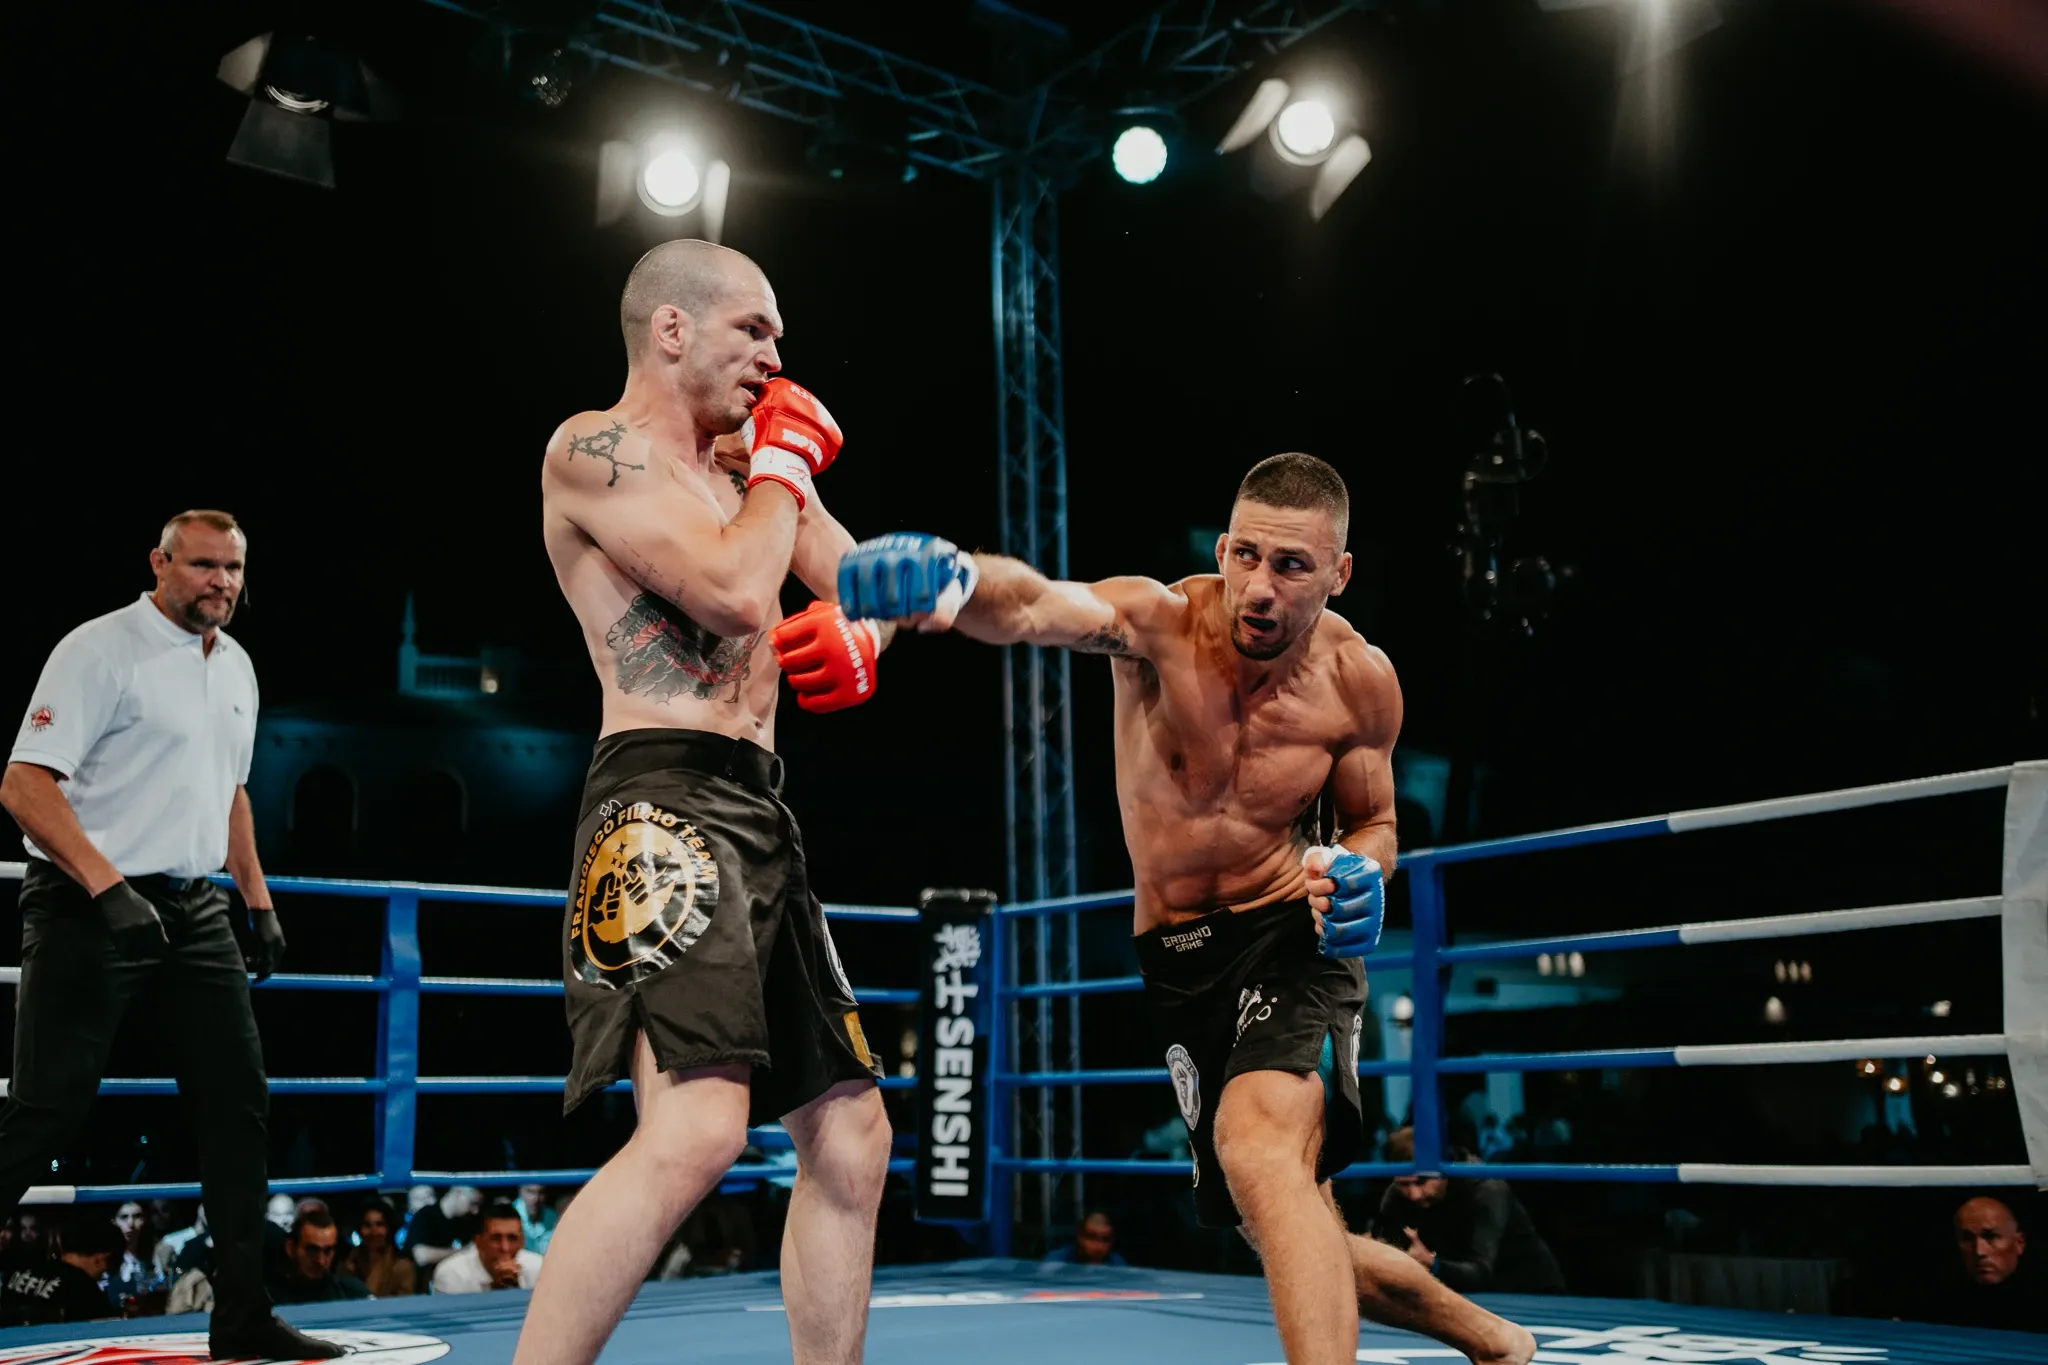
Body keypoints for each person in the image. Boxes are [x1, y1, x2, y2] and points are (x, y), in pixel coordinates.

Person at [838, 454, 1535, 1365]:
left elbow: (1375, 821)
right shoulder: (1158, 625)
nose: (1260, 586)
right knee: (1282, 1215)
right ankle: (1497, 1341)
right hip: (1177, 960)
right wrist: (958, 577)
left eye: (1291, 565)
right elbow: (1038, 604)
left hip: (1292, 935)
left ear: (1339, 573)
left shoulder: (1360, 680)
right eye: (1246, 555)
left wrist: (1364, 876)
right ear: (1222, 550)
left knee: (1258, 1149)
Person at [520, 239, 893, 1365]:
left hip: (761, 805)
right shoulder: (593, 449)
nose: (776, 355)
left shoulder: (750, 467)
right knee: (696, 1130)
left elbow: (877, 579)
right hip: (659, 796)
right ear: (673, 328)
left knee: (851, 1136)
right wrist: (782, 470)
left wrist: (865, 636)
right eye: (755, 329)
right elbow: (735, 591)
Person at [0, 509, 337, 1360]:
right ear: (159, 562)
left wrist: (258, 900)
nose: (221, 581)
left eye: (233, 567)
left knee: (239, 1105)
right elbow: (24, 784)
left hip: (195, 910)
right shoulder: (100, 649)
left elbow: (229, 790)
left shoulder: (238, 666)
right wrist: (107, 886)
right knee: (45, 1112)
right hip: (85, 899)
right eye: (202, 565)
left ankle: (242, 1316)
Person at [1373, 1129, 1565, 1294]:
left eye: (1421, 1181)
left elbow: (1479, 1273)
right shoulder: (1396, 1195)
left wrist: (1432, 1263)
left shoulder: (1486, 1189)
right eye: (1403, 1184)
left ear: (1446, 1165)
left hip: (1529, 1290)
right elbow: (1385, 1247)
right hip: (1465, 1294)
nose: (1414, 1195)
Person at [1918, 1195, 2044, 1333]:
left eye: (1991, 1237)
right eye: (1967, 1238)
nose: (1979, 1251)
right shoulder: (1937, 1305)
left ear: (2019, 1242)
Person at [1, 1215, 123, 1326]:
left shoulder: (22, 1269)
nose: (102, 1276)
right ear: (101, 1259)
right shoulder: (84, 1290)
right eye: (107, 1269)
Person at [433, 1204, 543, 1294]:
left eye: (512, 1238)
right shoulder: (451, 1274)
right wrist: (497, 1290)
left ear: (522, 1242)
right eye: (496, 1238)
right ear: (478, 1242)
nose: (505, 1248)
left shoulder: (539, 1268)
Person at [273, 1205, 369, 1305]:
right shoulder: (270, 1300)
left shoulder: (352, 1293)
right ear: (291, 1248)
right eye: (312, 1250)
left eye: (328, 1251)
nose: (321, 1261)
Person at [338, 1198, 418, 1297]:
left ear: (388, 1229)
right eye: (367, 1225)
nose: (373, 1231)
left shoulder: (402, 1267)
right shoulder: (347, 1265)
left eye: (379, 1224)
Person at [106, 1200, 166, 1312]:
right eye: (124, 1217)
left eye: (137, 1216)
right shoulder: (105, 1257)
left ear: (145, 1219)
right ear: (114, 1221)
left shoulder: (157, 1253)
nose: (130, 1223)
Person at [407, 1184, 481, 1271]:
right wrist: (463, 1252)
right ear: (458, 1191)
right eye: (472, 1203)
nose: (475, 1211)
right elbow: (422, 1256)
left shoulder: (468, 1223)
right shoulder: (425, 1216)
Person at [1043, 1212, 1127, 1266]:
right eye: (1091, 1237)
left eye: (1105, 1240)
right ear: (1080, 1237)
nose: (1098, 1246)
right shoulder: (1058, 1259)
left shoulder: (1116, 1263)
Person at [515, 1184, 558, 1256]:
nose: (536, 1199)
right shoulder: (509, 1217)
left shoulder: (553, 1218)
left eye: (541, 1192)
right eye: (530, 1192)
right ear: (521, 1192)